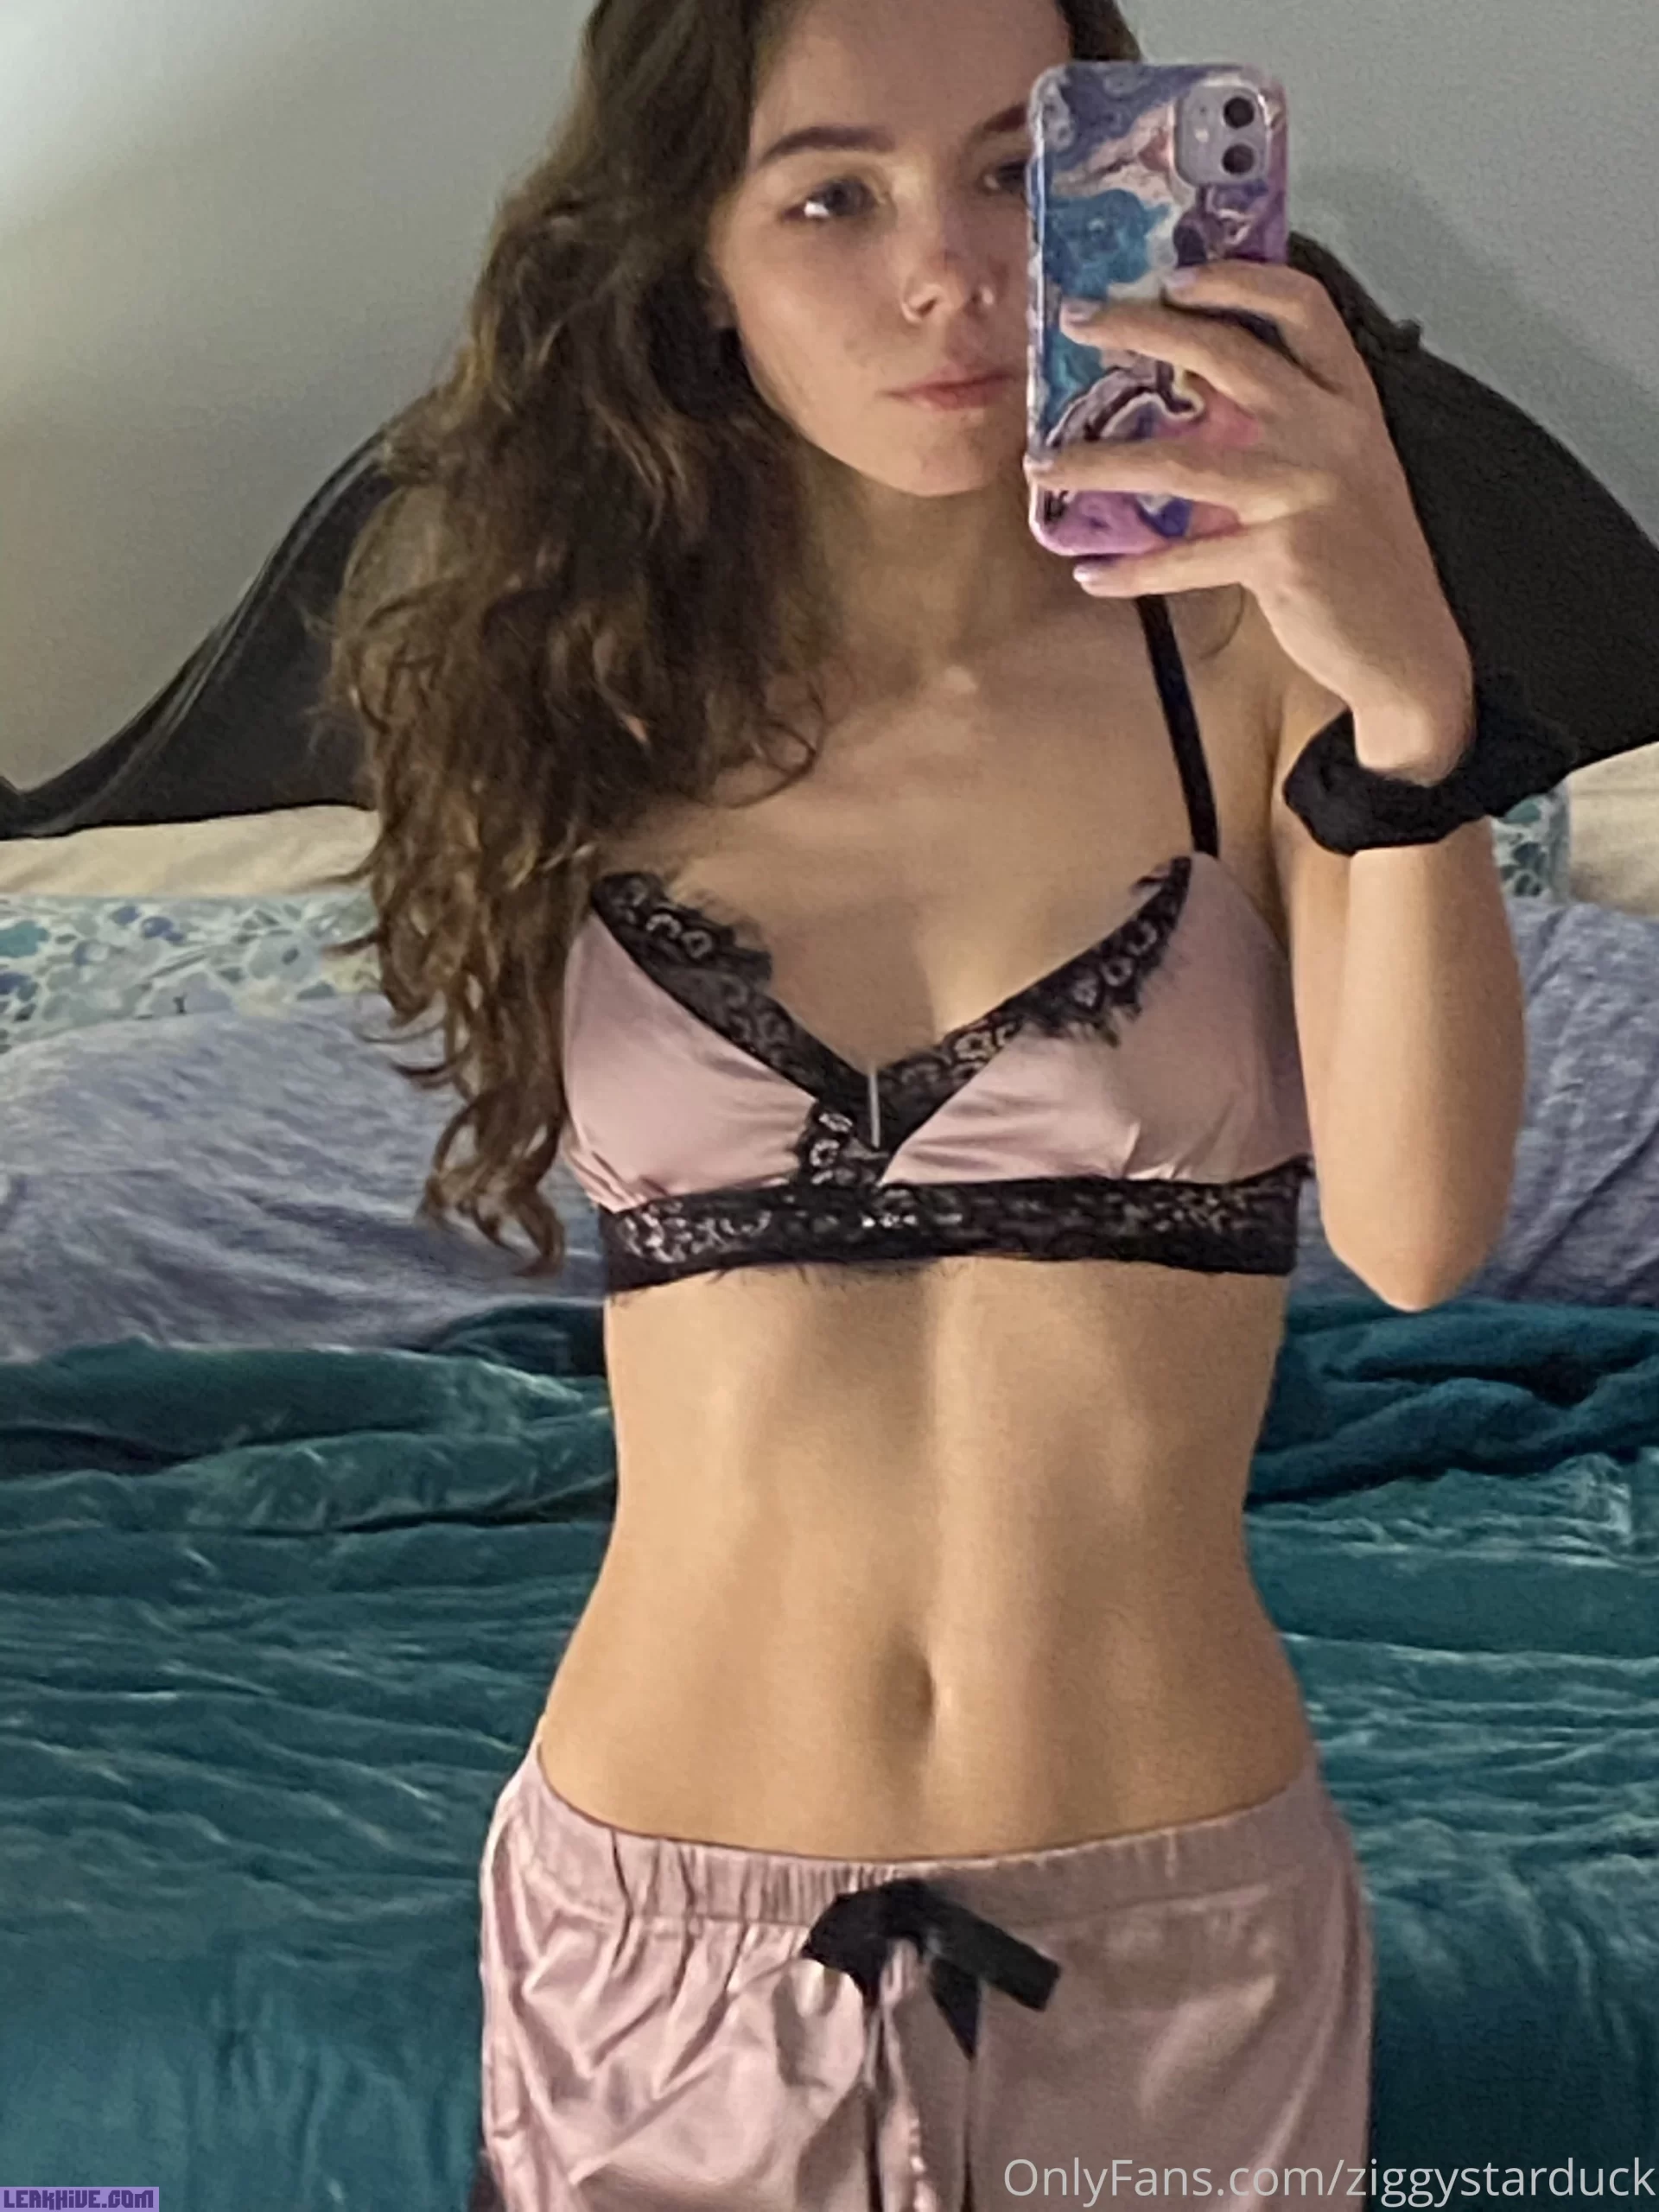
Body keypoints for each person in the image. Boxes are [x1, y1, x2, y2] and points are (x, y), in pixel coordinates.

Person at [325, 0, 1530, 2203]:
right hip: (660, 1927)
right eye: (833, 197)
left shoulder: (1249, 662)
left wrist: (1411, 691)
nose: (952, 274)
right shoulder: (570, 690)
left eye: (1012, 169)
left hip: (1173, 1936)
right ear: (695, 256)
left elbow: (1426, 1233)